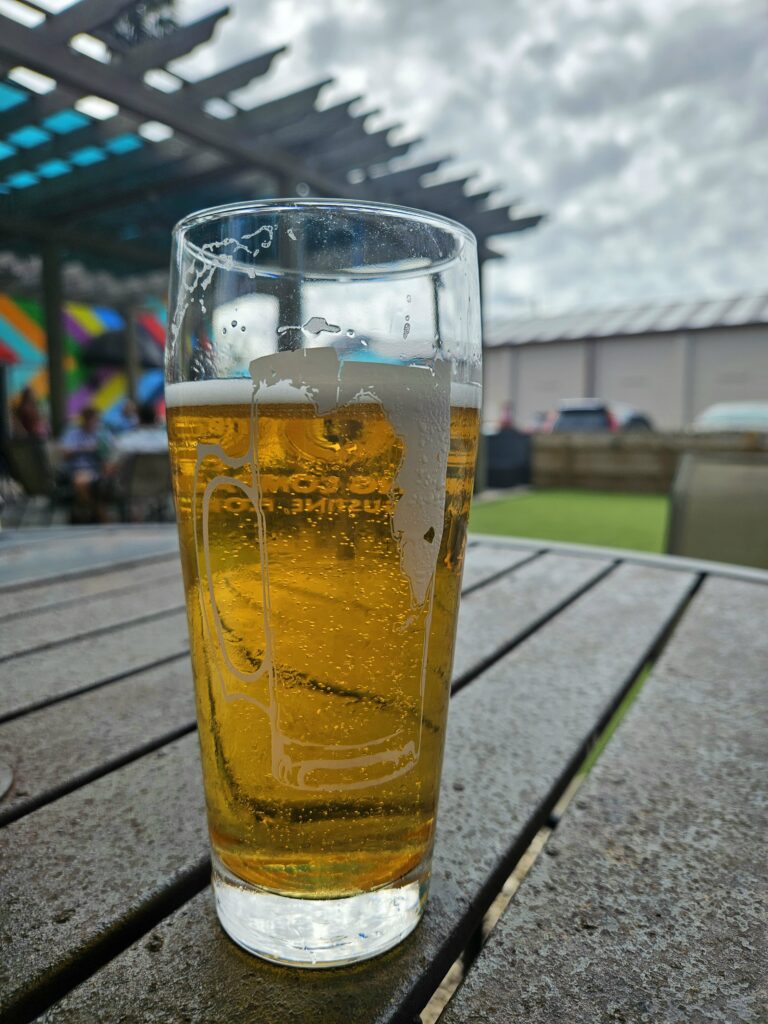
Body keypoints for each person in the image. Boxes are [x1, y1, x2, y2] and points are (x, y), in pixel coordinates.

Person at [58, 407, 113, 523]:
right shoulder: (73, 434)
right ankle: (98, 513)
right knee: (81, 482)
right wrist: (83, 448)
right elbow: (65, 453)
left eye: (94, 419)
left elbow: (109, 453)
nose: (91, 422)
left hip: (97, 469)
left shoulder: (103, 435)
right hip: (78, 469)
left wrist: (100, 451)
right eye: (88, 419)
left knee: (108, 477)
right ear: (83, 420)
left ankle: (91, 513)